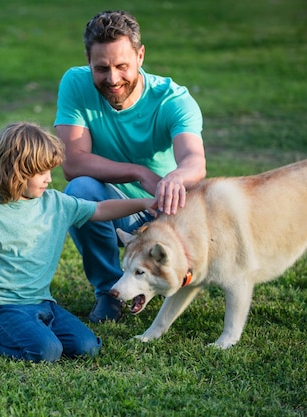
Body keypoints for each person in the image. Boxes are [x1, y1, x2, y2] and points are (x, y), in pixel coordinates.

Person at [54, 10, 207, 323]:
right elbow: (73, 162)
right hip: (111, 205)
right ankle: (109, 291)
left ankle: (172, 279)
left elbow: (194, 160)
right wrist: (139, 173)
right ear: (88, 61)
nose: (112, 79)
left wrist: (175, 178)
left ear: (140, 55)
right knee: (79, 190)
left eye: (122, 66)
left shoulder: (172, 100)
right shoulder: (75, 83)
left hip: (162, 213)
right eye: (101, 68)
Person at [0, 122, 155, 363]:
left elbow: (101, 209)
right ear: (17, 171)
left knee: (87, 347)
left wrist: (143, 203)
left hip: (43, 303)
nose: (49, 179)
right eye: (42, 173)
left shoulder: (56, 203)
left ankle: (33, 332)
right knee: (46, 352)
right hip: (2, 308)